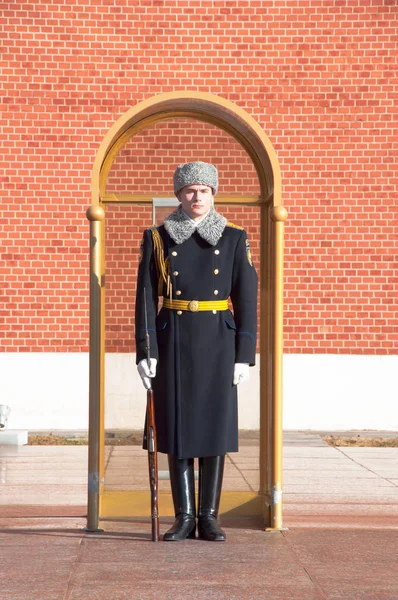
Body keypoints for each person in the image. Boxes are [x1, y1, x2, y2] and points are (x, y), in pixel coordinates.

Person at [135, 161, 258, 542]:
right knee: (178, 426)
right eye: (190, 190)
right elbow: (143, 297)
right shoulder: (157, 238)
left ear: (213, 194)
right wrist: (146, 349)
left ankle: (209, 517)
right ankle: (184, 516)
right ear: (178, 195)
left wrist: (244, 353)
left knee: (213, 426)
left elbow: (247, 298)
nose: (197, 196)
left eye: (204, 189)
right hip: (174, 338)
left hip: (219, 341)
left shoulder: (234, 238)